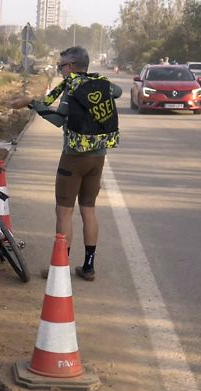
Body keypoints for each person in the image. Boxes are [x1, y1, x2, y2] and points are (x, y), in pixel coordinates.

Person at [8, 46, 121, 281]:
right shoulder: (101, 84)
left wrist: (33, 103)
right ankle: (89, 266)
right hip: (98, 156)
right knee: (88, 210)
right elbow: (117, 91)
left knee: (64, 212)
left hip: (74, 157)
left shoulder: (71, 89)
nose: (59, 70)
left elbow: (59, 120)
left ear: (70, 66)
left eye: (61, 66)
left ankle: (60, 269)